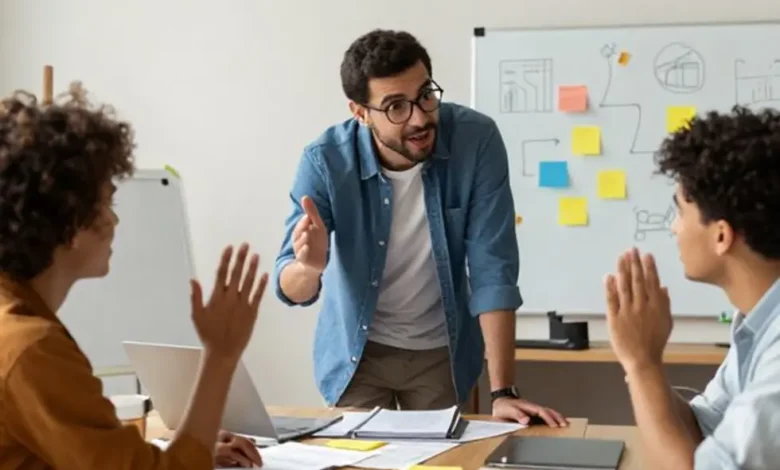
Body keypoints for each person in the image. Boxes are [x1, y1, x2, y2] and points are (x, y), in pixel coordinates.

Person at [274, 29, 567, 427]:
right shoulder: (325, 161)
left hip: (441, 352)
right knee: (358, 455)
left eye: (425, 95)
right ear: (360, 112)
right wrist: (309, 268)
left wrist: (503, 393)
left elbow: (492, 268)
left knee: (444, 456)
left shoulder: (475, 140)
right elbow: (289, 286)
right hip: (357, 354)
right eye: (396, 106)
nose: (420, 117)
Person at [0, 85, 266, 468]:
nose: (114, 219)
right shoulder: (32, 349)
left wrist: (183, 449)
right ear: (70, 220)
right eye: (106, 202)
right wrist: (220, 355)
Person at [604, 105, 780, 469]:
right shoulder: (759, 323)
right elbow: (706, 425)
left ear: (721, 235)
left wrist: (641, 363)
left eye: (681, 212)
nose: (674, 228)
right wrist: (644, 359)